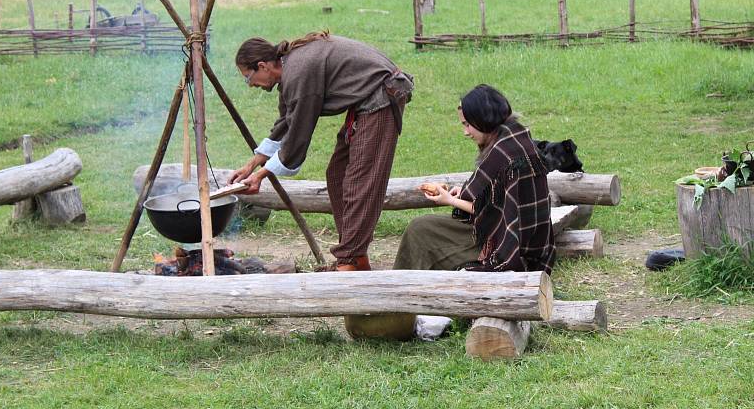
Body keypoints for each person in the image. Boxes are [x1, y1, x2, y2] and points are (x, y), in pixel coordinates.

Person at [229, 31, 414, 271]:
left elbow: (297, 136)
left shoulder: (298, 73)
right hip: (364, 101)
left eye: (248, 78)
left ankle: (348, 261)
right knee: (337, 174)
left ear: (262, 66)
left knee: (360, 182)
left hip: (381, 97)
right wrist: (251, 165)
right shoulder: (290, 72)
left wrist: (261, 175)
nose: (251, 85)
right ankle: (356, 257)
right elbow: (286, 121)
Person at [393, 84, 555, 274]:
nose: (466, 132)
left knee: (419, 232)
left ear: (483, 119)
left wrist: (450, 200)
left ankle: (404, 288)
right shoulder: (515, 135)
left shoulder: (504, 153)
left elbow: (494, 213)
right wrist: (462, 193)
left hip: (509, 251)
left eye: (467, 124)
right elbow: (496, 194)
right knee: (421, 227)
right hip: (524, 242)